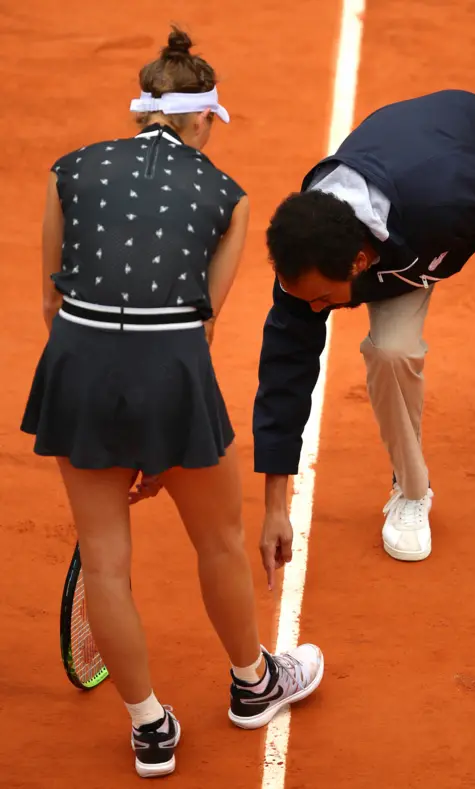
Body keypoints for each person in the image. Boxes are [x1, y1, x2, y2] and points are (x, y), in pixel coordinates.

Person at [20, 27, 323, 779]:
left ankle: (148, 727)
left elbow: (53, 301)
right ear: (203, 119)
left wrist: (116, 425)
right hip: (169, 378)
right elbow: (203, 325)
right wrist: (159, 444)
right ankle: (254, 683)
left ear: (140, 112)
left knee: (107, 562)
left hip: (77, 372)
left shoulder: (69, 171)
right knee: (220, 538)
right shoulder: (232, 198)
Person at [253, 89, 475, 569]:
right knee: (389, 351)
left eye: (322, 298)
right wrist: (275, 504)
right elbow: (286, 371)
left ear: (359, 262)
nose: (315, 309)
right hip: (404, 244)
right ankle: (411, 490)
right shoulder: (308, 263)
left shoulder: (450, 191)